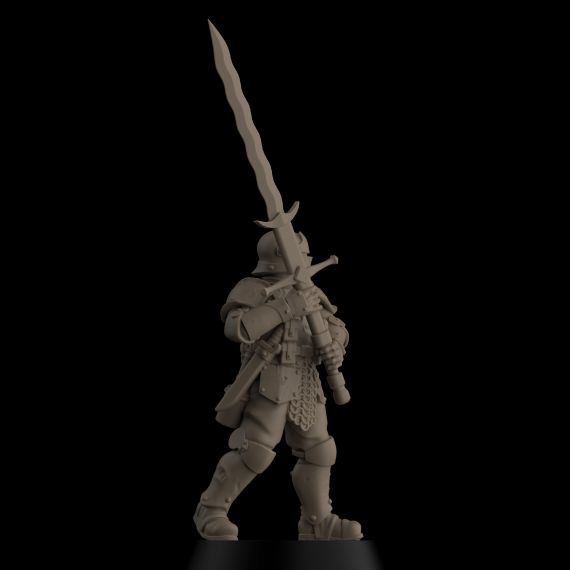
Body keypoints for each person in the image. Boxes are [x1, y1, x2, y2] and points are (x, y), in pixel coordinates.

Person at [194, 231, 362, 541]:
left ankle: (317, 522)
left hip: (306, 382)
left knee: (320, 450)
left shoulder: (310, 290)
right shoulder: (255, 288)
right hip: (268, 381)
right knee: (254, 450)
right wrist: (286, 306)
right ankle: (211, 508)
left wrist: (336, 345)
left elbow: (336, 325)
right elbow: (238, 328)